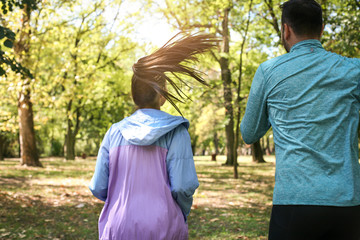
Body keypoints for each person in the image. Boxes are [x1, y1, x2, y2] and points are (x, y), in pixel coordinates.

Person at [240, 0, 360, 239]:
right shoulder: (353, 70)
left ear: (286, 30)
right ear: (322, 29)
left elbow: (249, 133)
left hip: (294, 203)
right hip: (347, 203)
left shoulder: (269, 71)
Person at [89, 33, 218, 240]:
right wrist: (178, 213)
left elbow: (98, 186)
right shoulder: (177, 132)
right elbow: (183, 186)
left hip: (118, 228)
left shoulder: (114, 132)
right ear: (162, 94)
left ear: (134, 96)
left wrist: (120, 202)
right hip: (164, 228)